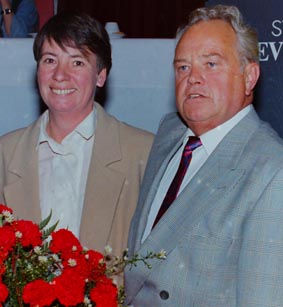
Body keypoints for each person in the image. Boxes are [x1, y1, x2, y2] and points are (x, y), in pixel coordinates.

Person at [124, 5, 283, 307]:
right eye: (183, 67)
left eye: (211, 64)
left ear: (249, 77)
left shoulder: (272, 172)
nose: (193, 78)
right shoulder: (169, 133)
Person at [0, 11, 153, 258]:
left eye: (77, 62)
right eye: (50, 60)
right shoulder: (5, 155)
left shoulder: (142, 153)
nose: (60, 75)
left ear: (101, 75)